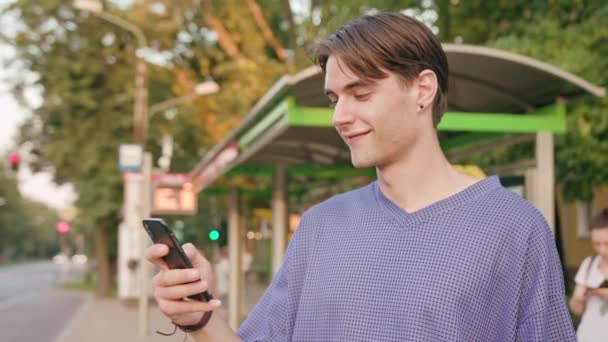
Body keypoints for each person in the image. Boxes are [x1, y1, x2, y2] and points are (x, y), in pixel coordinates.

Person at [146, 12, 575, 341]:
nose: (340, 116)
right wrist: (200, 317)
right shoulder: (319, 227)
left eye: (361, 94)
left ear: (422, 89)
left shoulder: (515, 229)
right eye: (334, 99)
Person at [569, 208, 608, 342]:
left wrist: (596, 291)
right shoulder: (588, 264)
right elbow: (577, 309)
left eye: (607, 243)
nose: (602, 249)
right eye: (596, 244)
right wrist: (577, 301)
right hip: (587, 336)